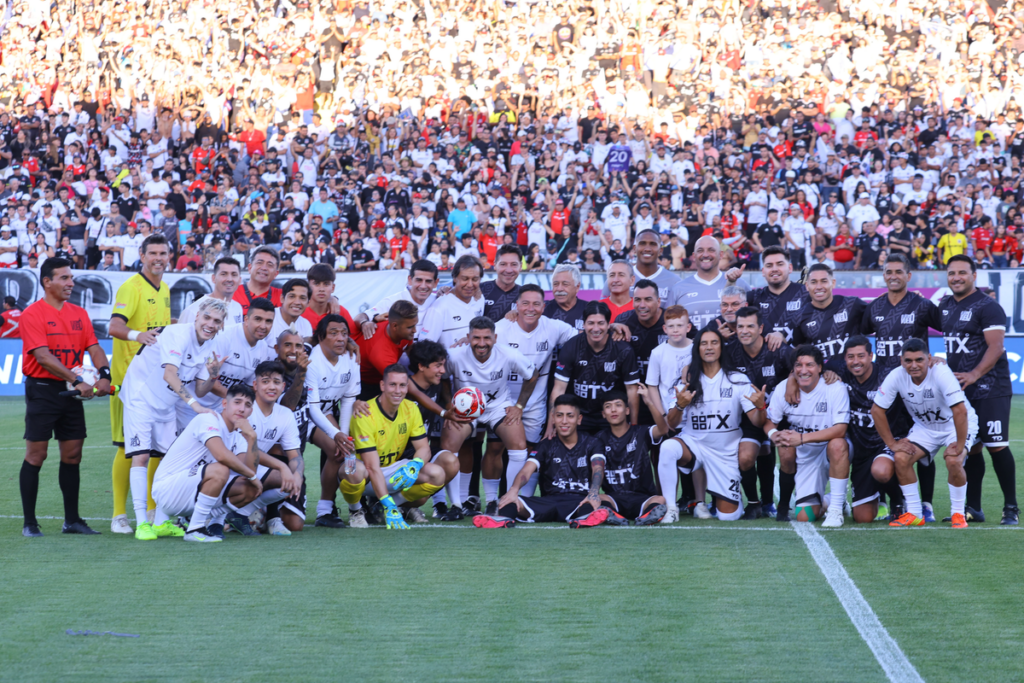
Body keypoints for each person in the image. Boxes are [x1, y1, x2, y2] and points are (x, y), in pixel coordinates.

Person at [119, 298, 228, 540]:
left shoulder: (211, 346)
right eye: (207, 318)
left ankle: (160, 522)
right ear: (197, 316)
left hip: (166, 406)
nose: (210, 324)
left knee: (172, 462)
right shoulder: (178, 334)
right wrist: (196, 406)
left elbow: (201, 389)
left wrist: (212, 375)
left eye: (216, 321)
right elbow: (170, 375)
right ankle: (141, 524)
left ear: (221, 325)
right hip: (140, 398)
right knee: (141, 456)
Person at [19, 258, 112, 537]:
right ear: (47, 282)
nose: (71, 283)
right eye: (64, 278)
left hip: (72, 391)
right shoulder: (32, 314)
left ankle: (72, 521)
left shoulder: (79, 313)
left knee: (73, 455)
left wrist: (104, 374)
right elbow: (43, 357)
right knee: (37, 455)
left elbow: (94, 347)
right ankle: (29, 523)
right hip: (43, 390)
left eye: (71, 277)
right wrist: (78, 380)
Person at [657, 327, 767, 523]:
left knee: (729, 517)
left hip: (726, 453)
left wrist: (760, 408)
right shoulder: (686, 382)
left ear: (721, 348)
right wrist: (680, 405)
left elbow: (757, 422)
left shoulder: (737, 380)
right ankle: (670, 509)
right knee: (667, 447)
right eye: (704, 343)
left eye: (714, 343)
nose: (709, 347)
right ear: (697, 349)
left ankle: (721, 494)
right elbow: (671, 424)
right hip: (695, 446)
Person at [941, 255, 1018, 525]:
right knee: (970, 448)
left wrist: (974, 374)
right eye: (951, 273)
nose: (956, 277)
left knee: (996, 446)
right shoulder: (945, 305)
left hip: (990, 388)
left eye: (962, 272)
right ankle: (973, 508)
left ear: (974, 275)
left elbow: (996, 347)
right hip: (962, 390)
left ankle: (1011, 508)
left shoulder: (988, 306)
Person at [872, 339, 978, 529]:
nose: (913, 365)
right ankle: (914, 513)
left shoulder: (941, 372)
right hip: (925, 428)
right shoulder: (896, 375)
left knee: (954, 460)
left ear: (929, 359)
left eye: (919, 360)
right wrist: (892, 444)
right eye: (908, 361)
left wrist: (960, 447)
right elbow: (876, 410)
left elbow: (960, 411)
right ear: (901, 360)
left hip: (955, 426)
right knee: (901, 457)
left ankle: (958, 514)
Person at [441, 316, 539, 515]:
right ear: (468, 337)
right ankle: (457, 505)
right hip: (465, 409)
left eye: (487, 338)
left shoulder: (508, 354)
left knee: (519, 447)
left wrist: (519, 406)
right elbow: (442, 378)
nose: (482, 343)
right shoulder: (454, 355)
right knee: (450, 445)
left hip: (498, 408)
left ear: (495, 337)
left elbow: (533, 374)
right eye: (476, 338)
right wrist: (448, 403)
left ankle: (504, 501)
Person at [108, 233, 171, 534]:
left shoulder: (165, 289)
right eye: (153, 253)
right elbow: (114, 326)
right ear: (142, 256)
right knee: (127, 448)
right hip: (127, 384)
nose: (158, 258)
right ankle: (119, 515)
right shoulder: (131, 287)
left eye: (163, 253)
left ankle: (151, 510)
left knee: (157, 448)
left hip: (154, 384)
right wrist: (138, 336)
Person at [150, 385, 267, 543]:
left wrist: (252, 437)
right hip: (167, 490)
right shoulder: (208, 419)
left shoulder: (239, 437)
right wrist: (253, 476)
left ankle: (195, 519)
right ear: (225, 404)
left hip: (190, 492)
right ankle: (195, 530)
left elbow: (247, 472)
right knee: (221, 469)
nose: (242, 409)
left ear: (251, 411)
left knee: (249, 488)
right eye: (237, 402)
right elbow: (221, 455)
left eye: (247, 405)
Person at [343, 364, 455, 529]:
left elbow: (424, 448)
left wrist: (415, 465)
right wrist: (388, 503)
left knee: (436, 474)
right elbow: (372, 467)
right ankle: (356, 510)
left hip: (391, 471)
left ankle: (386, 506)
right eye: (392, 384)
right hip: (366, 475)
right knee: (355, 470)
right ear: (382, 385)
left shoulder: (411, 408)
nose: (398, 390)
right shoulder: (365, 413)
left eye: (402, 385)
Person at [479, 394, 609, 528]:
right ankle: (501, 519)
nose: (564, 421)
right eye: (559, 415)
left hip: (579, 501)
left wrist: (593, 493)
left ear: (579, 419)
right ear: (553, 418)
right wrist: (514, 490)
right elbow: (526, 470)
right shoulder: (545, 445)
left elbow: (598, 468)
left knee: (591, 504)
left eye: (570, 416)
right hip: (548, 502)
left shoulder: (593, 443)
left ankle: (585, 519)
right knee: (513, 501)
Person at [824, 336, 910, 524]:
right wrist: (793, 380)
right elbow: (808, 364)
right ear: (844, 359)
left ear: (871, 355)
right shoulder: (837, 369)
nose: (856, 362)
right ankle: (851, 501)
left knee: (881, 471)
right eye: (850, 357)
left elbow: (917, 373)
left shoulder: (888, 375)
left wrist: (935, 360)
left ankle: (897, 500)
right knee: (863, 518)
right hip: (860, 449)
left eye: (861, 356)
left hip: (885, 442)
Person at [763, 345, 850, 526]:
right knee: (805, 516)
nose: (803, 370)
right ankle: (834, 500)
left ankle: (835, 511)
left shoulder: (834, 387)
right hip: (806, 456)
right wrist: (773, 435)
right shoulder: (783, 389)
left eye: (809, 365)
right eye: (798, 365)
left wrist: (802, 438)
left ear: (820, 367)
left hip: (830, 450)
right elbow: (770, 421)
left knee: (837, 444)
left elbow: (840, 429)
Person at [729, 306, 794, 519]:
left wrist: (792, 379)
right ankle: (754, 503)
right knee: (746, 458)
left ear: (761, 328)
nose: (745, 331)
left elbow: (802, 365)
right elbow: (704, 363)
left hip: (780, 416)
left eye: (750, 326)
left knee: (781, 454)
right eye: (740, 326)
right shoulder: (729, 352)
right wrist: (688, 369)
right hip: (749, 417)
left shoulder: (777, 348)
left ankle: (774, 504)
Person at [306, 314, 365, 528]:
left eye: (344, 333)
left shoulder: (351, 358)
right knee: (336, 445)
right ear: (321, 337)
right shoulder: (312, 361)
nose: (340, 338)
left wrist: (345, 435)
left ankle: (331, 510)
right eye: (333, 333)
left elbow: (349, 399)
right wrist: (336, 434)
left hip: (325, 411)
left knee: (343, 451)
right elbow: (311, 408)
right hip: (301, 415)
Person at [235, 361, 306, 536]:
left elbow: (295, 456)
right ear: (255, 385)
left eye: (276, 382)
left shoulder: (285, 414)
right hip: (231, 466)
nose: (271, 386)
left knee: (292, 478)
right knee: (282, 473)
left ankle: (241, 514)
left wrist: (297, 475)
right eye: (265, 381)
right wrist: (282, 467)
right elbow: (244, 453)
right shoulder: (244, 409)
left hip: (252, 468)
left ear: (283, 386)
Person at [550, 301, 640, 435]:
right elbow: (558, 389)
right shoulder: (571, 347)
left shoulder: (623, 350)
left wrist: (633, 426)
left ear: (609, 324)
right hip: (579, 415)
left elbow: (632, 390)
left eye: (601, 323)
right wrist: (550, 426)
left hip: (610, 415)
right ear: (583, 325)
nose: (596, 328)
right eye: (591, 323)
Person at [188, 299, 276, 429]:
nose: (263, 326)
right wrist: (237, 400)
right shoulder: (224, 337)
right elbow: (207, 380)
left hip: (221, 409)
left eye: (268, 321)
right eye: (258, 319)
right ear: (246, 319)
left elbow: (250, 386)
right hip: (190, 406)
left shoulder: (263, 349)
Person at [403, 340, 467, 521]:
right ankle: (384, 501)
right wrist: (444, 412)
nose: (442, 371)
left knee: (451, 462)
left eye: (443, 365)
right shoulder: (404, 386)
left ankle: (455, 507)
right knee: (426, 487)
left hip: (421, 452)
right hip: (397, 455)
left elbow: (445, 389)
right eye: (438, 366)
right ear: (421, 366)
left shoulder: (438, 385)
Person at [595, 387, 676, 525]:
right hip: (614, 498)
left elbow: (663, 430)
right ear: (603, 414)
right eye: (608, 407)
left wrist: (649, 402)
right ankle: (613, 514)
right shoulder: (598, 439)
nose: (613, 410)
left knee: (660, 500)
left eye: (618, 405)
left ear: (627, 410)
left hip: (643, 498)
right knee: (598, 498)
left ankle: (645, 516)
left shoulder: (641, 432)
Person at [792, 263, 867, 360]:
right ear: (807, 286)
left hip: (853, 372)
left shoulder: (852, 304)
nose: (819, 287)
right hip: (823, 374)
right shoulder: (800, 316)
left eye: (824, 281)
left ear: (833, 283)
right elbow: (800, 352)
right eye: (814, 282)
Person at [672, 236, 748, 332]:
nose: (705, 254)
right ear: (693, 256)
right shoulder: (678, 288)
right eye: (700, 250)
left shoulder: (739, 284)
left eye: (711, 250)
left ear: (721, 255)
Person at [355, 260, 439, 338]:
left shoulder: (438, 301)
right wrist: (364, 323)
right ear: (410, 280)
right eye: (419, 280)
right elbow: (360, 317)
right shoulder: (392, 301)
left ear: (435, 283)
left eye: (428, 281)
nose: (423, 286)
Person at [746, 246, 808, 348]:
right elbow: (728, 304)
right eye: (769, 265)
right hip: (765, 362)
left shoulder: (806, 293)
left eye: (780, 264)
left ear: (790, 268)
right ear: (763, 271)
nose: (774, 269)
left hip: (799, 361)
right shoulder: (754, 297)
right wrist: (731, 282)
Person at [419, 255, 485, 348]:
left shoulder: (480, 299)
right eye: (465, 279)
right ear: (454, 277)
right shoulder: (439, 307)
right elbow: (424, 348)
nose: (470, 284)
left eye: (475, 279)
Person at [354, 300, 417, 392]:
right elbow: (408, 388)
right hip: (364, 385)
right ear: (394, 326)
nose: (415, 330)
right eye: (410, 327)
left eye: (415, 325)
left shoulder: (400, 327)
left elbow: (411, 352)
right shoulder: (381, 353)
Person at [180, 257, 245, 326]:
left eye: (234, 275)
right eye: (224, 274)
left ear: (239, 280)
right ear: (213, 278)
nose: (229, 279)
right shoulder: (194, 310)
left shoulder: (238, 307)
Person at [233, 246, 282, 315]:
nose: (264, 268)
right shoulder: (232, 294)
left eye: (270, 265)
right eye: (259, 262)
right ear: (250, 268)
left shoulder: (283, 298)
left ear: (276, 274)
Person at [480, 244, 522, 321]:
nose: (509, 270)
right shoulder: (480, 290)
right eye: (503, 264)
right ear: (495, 265)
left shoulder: (525, 295)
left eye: (514, 264)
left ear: (521, 266)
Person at [544, 263, 588, 331]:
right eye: (555, 284)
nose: (559, 289)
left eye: (565, 284)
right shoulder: (543, 310)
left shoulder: (590, 309)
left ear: (577, 286)